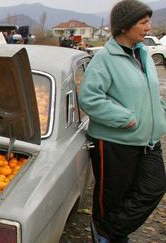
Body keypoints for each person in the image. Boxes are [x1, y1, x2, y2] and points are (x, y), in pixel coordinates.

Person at [78, 0, 166, 242]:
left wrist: (160, 111)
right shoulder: (104, 58)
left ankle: (108, 231)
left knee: (155, 187)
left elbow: (149, 93)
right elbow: (89, 98)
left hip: (148, 141)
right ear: (125, 26)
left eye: (149, 21)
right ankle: (109, 234)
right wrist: (124, 118)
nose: (149, 27)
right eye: (143, 22)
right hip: (115, 141)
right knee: (113, 197)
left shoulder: (143, 54)